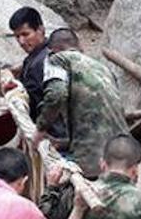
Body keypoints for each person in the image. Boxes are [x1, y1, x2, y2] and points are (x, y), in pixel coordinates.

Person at [36, 28, 128, 178]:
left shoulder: (57, 59)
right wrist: (66, 141)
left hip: (93, 161)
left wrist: (40, 129)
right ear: (79, 46)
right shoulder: (102, 68)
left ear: (52, 50)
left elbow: (56, 94)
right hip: (125, 152)